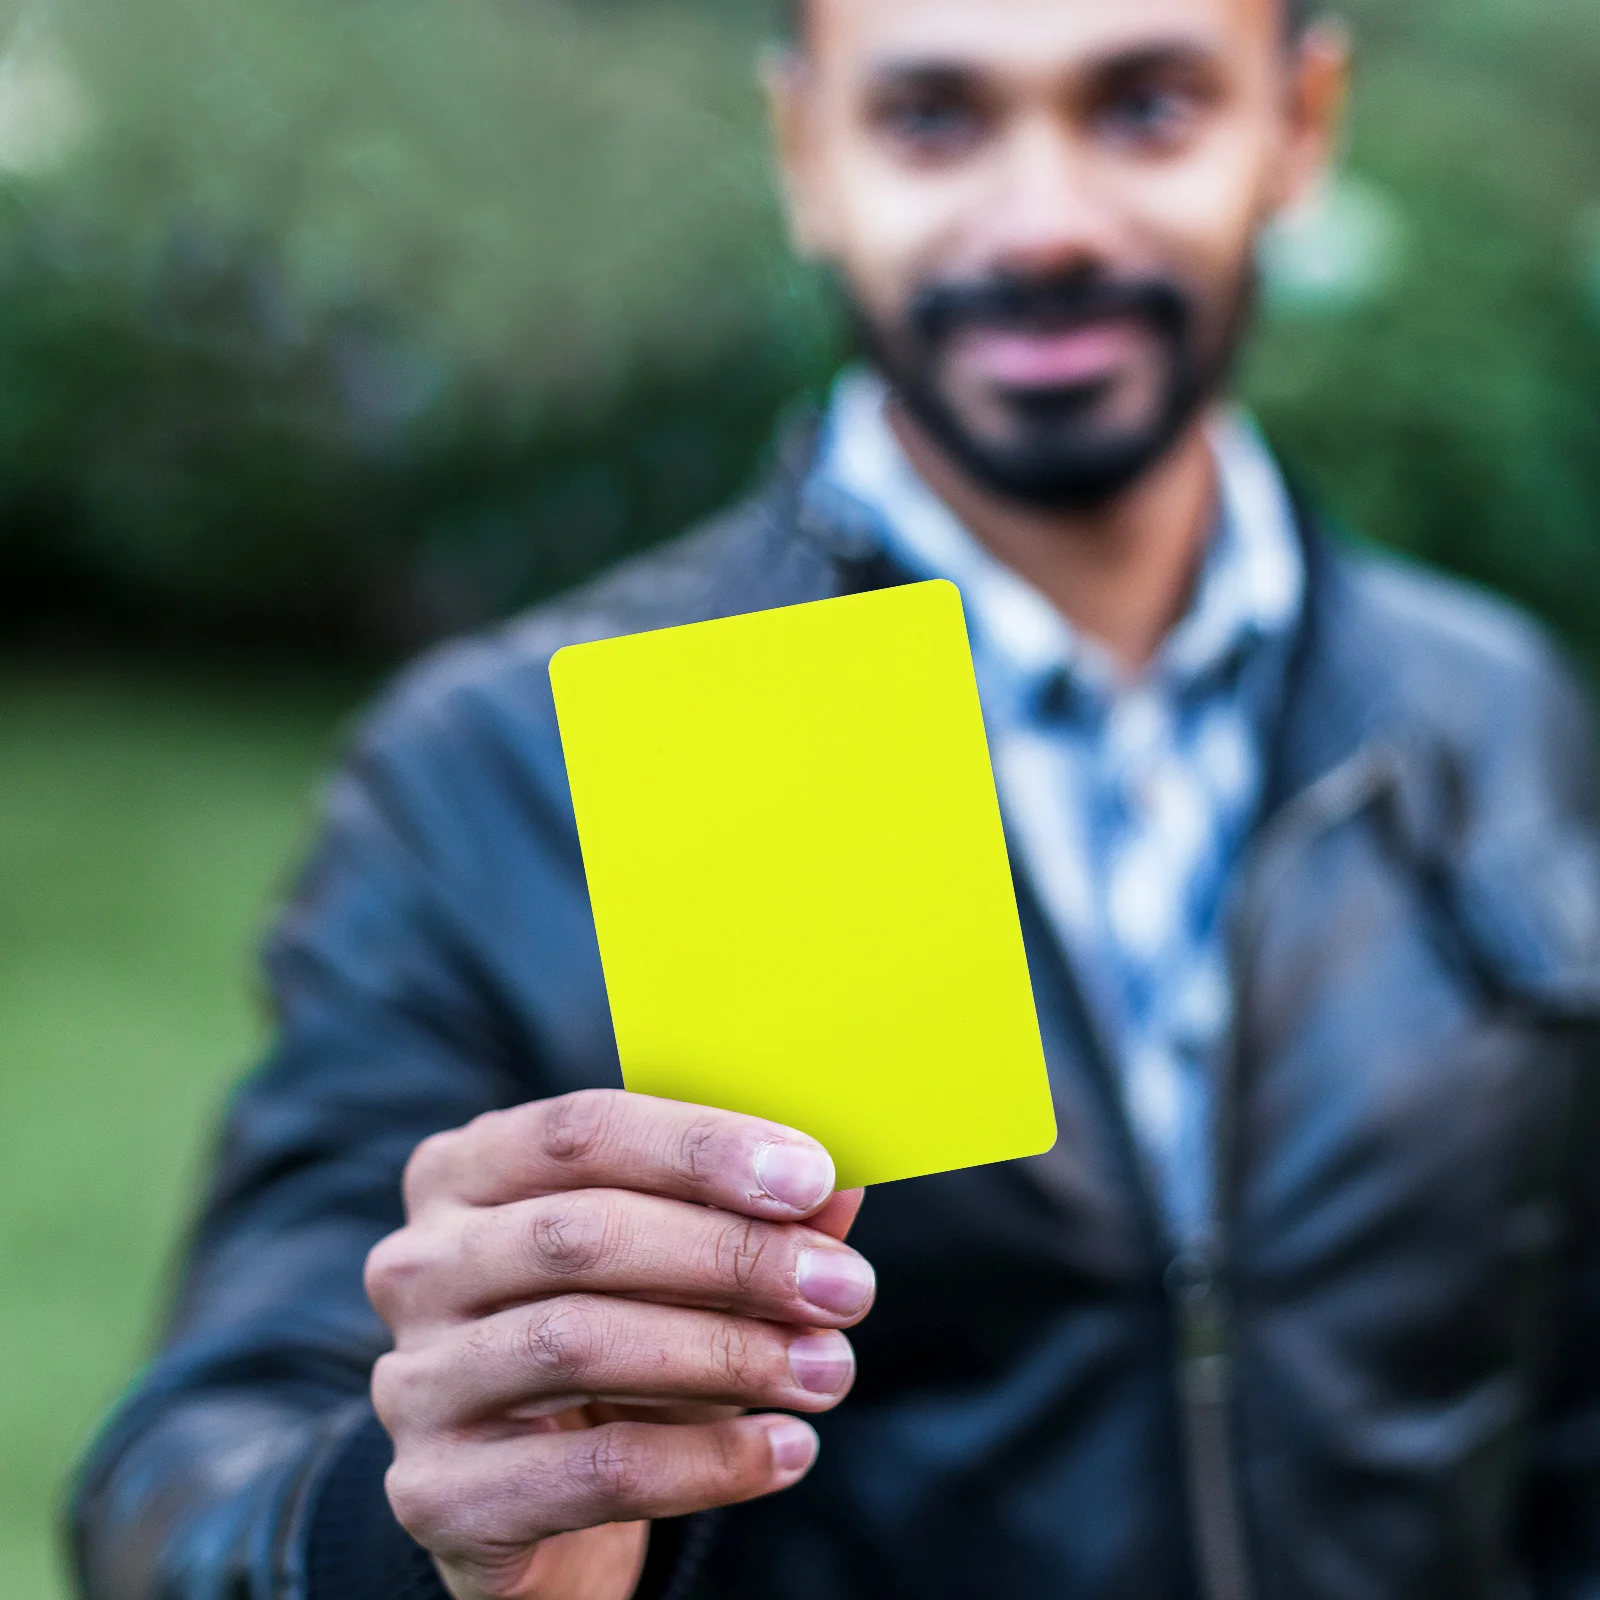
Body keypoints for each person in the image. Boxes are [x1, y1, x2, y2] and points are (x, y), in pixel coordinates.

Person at [72, 0, 1600, 1595]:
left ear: (1299, 125)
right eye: (934, 120)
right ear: (807, 150)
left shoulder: (1490, 707)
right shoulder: (508, 769)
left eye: (1146, 108)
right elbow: (182, 1485)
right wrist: (411, 1530)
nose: (1047, 222)